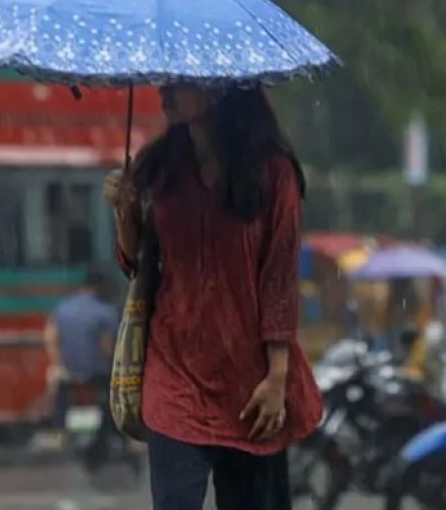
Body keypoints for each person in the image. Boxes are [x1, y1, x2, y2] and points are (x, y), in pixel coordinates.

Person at [104, 83, 321, 510]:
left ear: (220, 91)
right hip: (174, 371)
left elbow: (279, 278)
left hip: (249, 382)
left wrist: (277, 377)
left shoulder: (274, 174)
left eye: (181, 83)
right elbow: (136, 263)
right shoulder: (161, 168)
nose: (165, 90)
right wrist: (126, 215)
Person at [44, 270, 120, 441]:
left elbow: (51, 338)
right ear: (101, 287)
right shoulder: (106, 311)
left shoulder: (62, 309)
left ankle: (57, 429)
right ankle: (118, 436)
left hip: (67, 373)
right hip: (97, 374)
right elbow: (107, 347)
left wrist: (59, 364)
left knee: (59, 392)